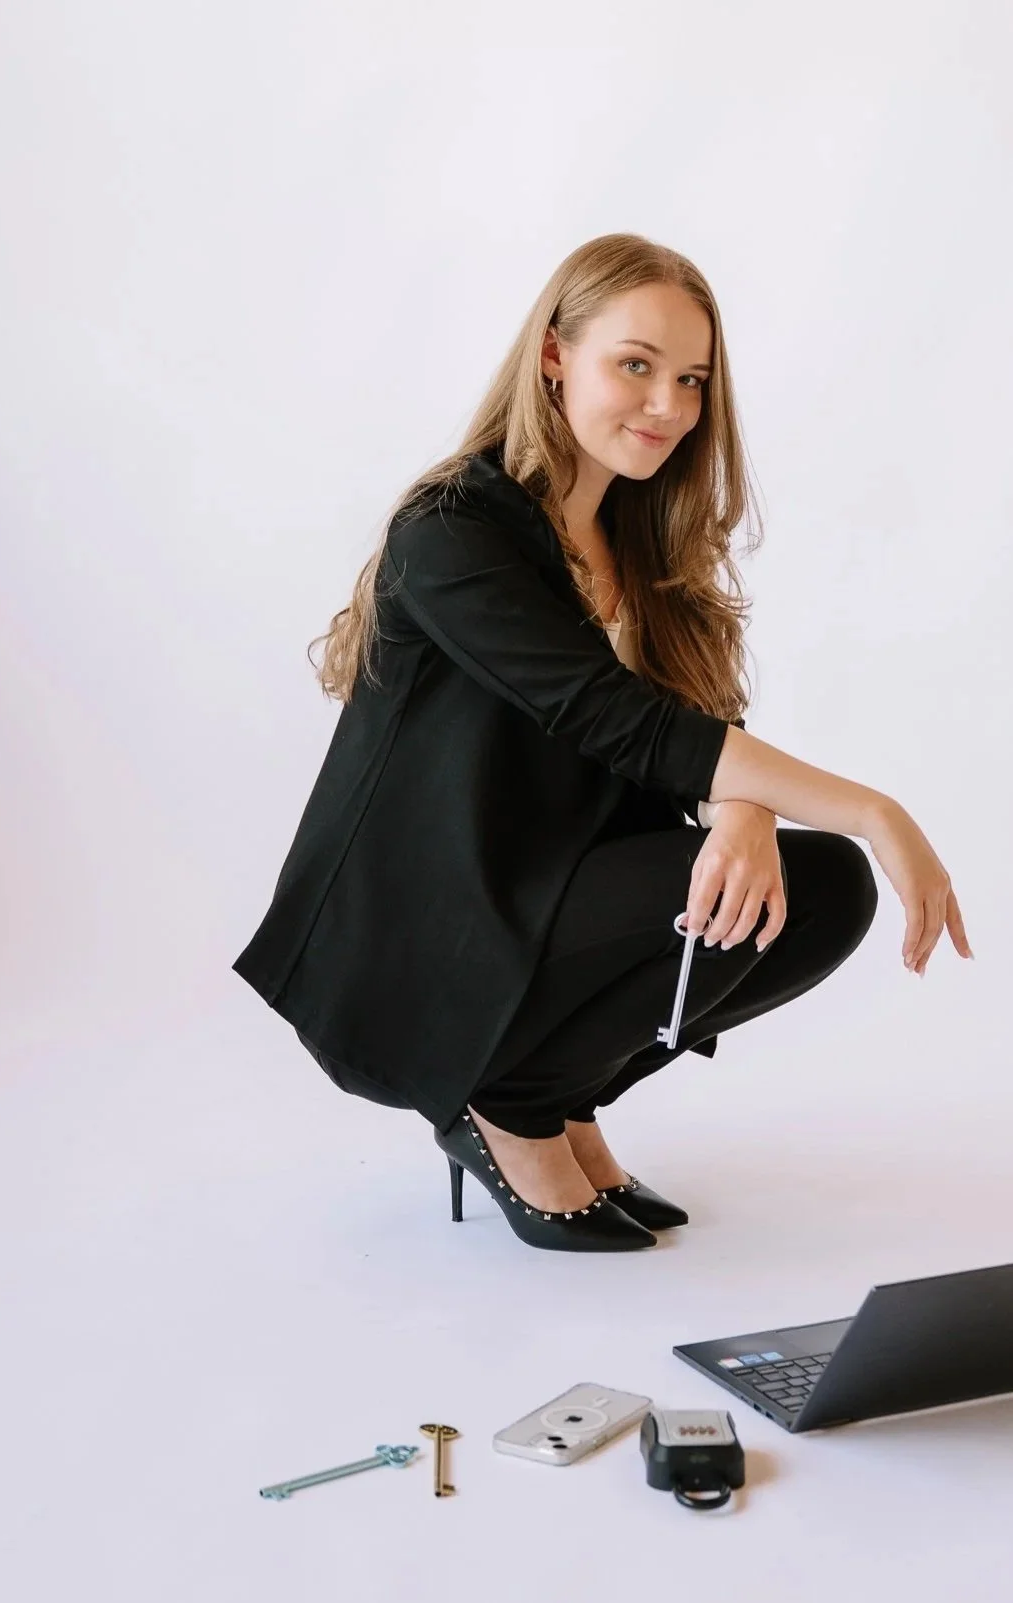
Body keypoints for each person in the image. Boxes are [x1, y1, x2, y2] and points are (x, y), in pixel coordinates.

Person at [232, 232, 973, 1255]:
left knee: (819, 890)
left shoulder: (640, 540)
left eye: (691, 379)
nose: (666, 406)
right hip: (424, 931)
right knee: (836, 855)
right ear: (552, 356)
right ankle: (509, 1108)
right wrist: (875, 809)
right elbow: (612, 719)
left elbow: (700, 728)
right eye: (634, 365)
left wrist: (745, 810)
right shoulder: (455, 531)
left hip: (549, 890)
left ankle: (554, 1094)